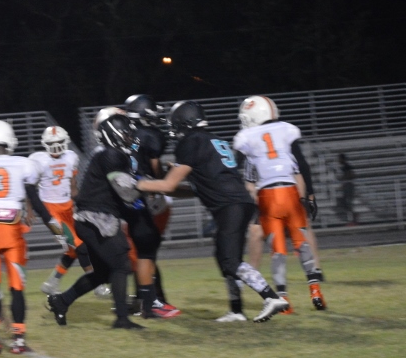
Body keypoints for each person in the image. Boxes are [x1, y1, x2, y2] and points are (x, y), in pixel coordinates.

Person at [134, 100, 289, 323]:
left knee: (230, 261)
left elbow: (168, 185)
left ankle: (271, 297)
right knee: (224, 257)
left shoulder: (190, 141)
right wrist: (161, 183)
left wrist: (138, 184)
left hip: (230, 206)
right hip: (237, 202)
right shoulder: (211, 139)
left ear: (184, 122)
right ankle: (236, 310)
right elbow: (193, 189)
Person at [0, 120, 64, 354]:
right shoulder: (23, 164)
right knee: (17, 287)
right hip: (12, 230)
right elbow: (37, 204)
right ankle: (19, 340)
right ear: (10, 139)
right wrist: (58, 232)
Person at [45, 111, 145, 330]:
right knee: (121, 265)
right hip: (97, 219)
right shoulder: (111, 155)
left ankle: (61, 301)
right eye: (127, 134)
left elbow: (123, 185)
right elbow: (127, 193)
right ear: (115, 135)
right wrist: (150, 185)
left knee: (102, 273)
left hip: (92, 218)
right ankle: (121, 319)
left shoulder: (112, 154)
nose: (131, 138)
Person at [233, 95, 326, 312]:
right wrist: (309, 196)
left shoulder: (248, 139)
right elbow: (300, 166)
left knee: (275, 247)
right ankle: (315, 285)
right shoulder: (285, 131)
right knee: (300, 237)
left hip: (267, 194)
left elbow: (240, 171)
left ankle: (281, 296)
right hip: (289, 190)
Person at [123, 94, 179, 318]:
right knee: (144, 254)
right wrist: (163, 179)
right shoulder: (150, 135)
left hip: (133, 197)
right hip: (150, 198)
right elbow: (155, 169)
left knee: (141, 254)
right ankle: (151, 300)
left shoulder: (127, 135)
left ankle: (149, 300)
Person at [29, 125, 93, 295]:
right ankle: (96, 283)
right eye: (52, 143)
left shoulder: (71, 157)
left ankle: (52, 283)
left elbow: (73, 186)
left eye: (59, 142)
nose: (56, 146)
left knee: (73, 251)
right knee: (80, 246)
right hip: (51, 212)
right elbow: (29, 187)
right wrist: (29, 209)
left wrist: (81, 202)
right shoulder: (38, 160)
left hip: (68, 209)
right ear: (45, 144)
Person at [338, 153, 357, 225]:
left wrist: (344, 178)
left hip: (349, 186)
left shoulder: (347, 167)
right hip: (346, 186)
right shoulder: (343, 167)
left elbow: (352, 175)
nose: (338, 161)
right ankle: (352, 219)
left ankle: (354, 219)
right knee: (345, 203)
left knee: (349, 203)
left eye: (339, 159)